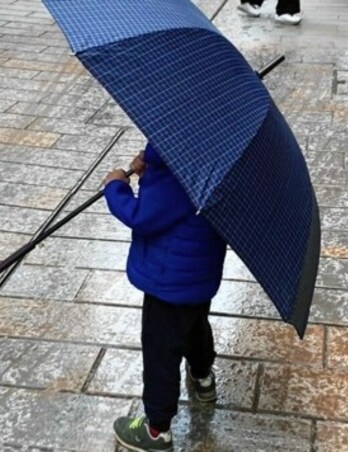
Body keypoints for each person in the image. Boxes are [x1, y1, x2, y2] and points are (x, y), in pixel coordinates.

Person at [103, 143, 227, 452]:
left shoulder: (177, 157)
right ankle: (202, 379)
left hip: (166, 277)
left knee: (160, 351)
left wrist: (115, 187)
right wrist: (148, 166)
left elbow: (145, 216)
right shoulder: (221, 152)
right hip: (200, 271)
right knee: (196, 325)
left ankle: (156, 429)